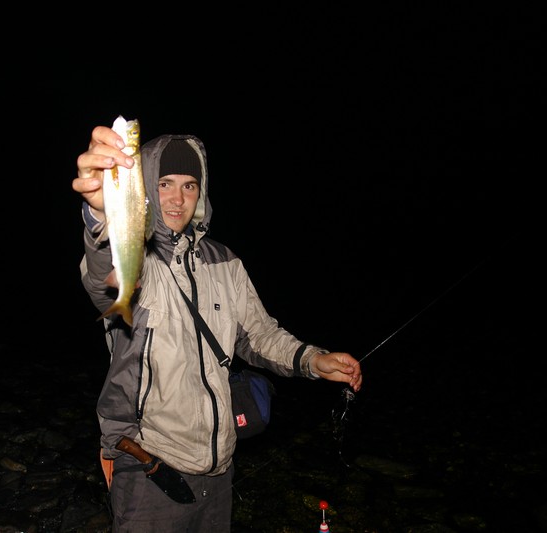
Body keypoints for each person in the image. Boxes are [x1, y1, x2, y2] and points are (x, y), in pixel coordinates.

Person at [72, 122, 363, 532]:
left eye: (189, 186)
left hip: (221, 469)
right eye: (165, 183)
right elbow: (103, 277)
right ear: (144, 187)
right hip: (148, 468)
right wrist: (102, 214)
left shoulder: (225, 262)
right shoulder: (139, 259)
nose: (178, 198)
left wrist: (314, 360)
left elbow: (260, 335)